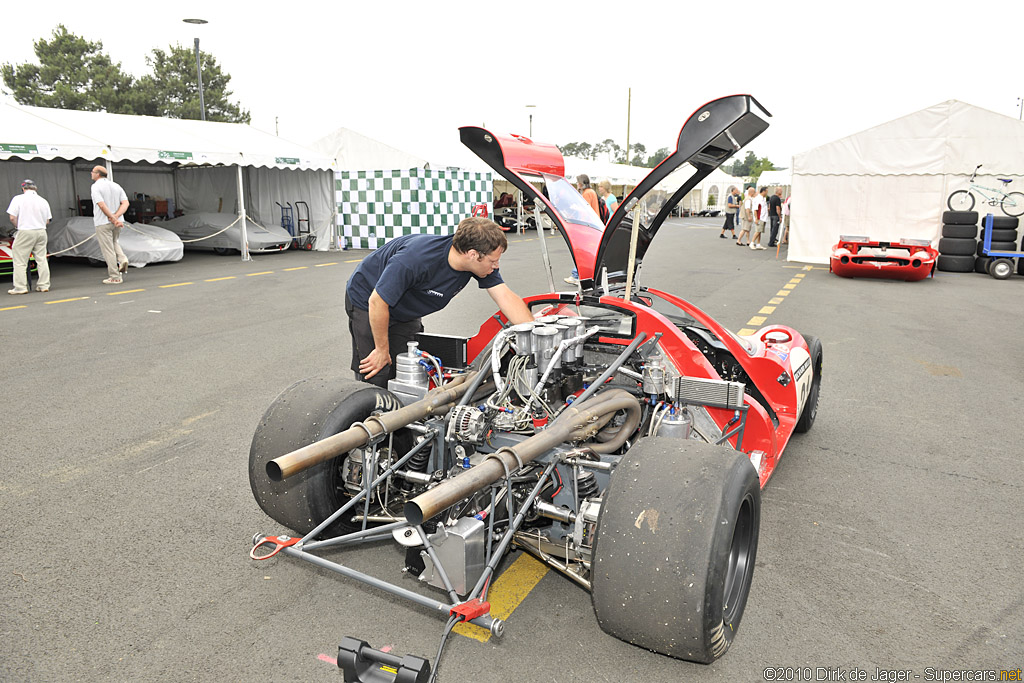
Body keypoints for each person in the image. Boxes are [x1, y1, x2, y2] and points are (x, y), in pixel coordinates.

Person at [345, 216, 534, 388]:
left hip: (404, 309)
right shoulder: (416, 259)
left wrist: (536, 333)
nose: (496, 266)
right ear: (473, 254)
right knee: (379, 369)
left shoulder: (478, 264)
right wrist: (381, 349)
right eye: (493, 261)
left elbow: (505, 297)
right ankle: (369, 412)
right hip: (368, 300)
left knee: (411, 366)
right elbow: (377, 302)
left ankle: (404, 416)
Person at [6, 179, 52, 295]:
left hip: (25, 230)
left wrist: (18, 226)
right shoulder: (43, 201)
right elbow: (47, 220)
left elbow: (12, 217)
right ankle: (44, 285)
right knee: (41, 258)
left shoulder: (18, 199)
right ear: (35, 188)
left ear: (23, 188)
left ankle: (20, 287)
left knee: (20, 260)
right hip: (41, 231)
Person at [90, 165, 130, 284]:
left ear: (97, 174)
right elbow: (125, 203)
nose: (91, 174)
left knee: (108, 249)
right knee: (114, 242)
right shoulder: (116, 185)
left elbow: (101, 205)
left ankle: (115, 276)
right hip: (117, 222)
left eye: (92, 172)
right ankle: (122, 259)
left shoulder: (96, 186)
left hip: (103, 222)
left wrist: (112, 217)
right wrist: (117, 217)